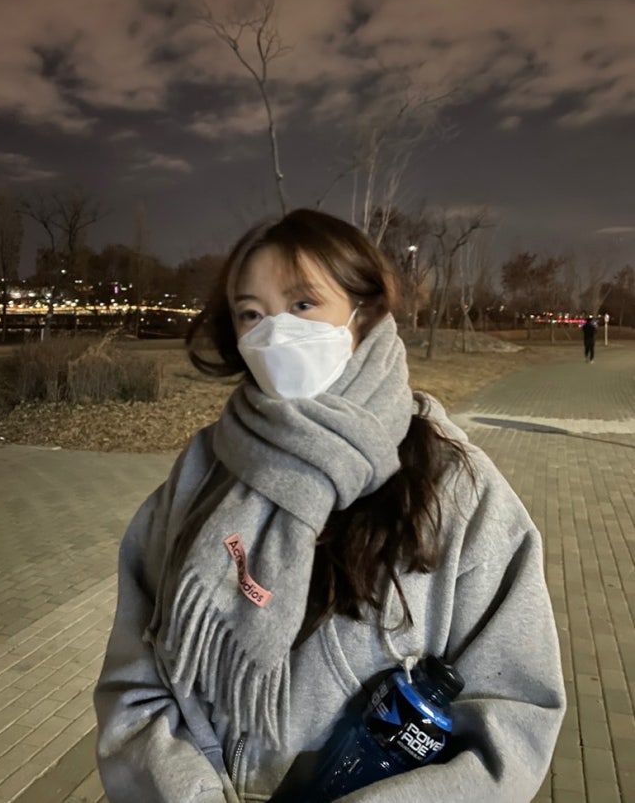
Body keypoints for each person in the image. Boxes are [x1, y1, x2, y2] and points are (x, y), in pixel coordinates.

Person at [94, 208, 565, 803]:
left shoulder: (456, 488)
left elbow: (514, 717)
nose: (274, 333)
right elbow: (135, 683)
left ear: (364, 313)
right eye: (250, 313)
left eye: (302, 304)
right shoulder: (202, 474)